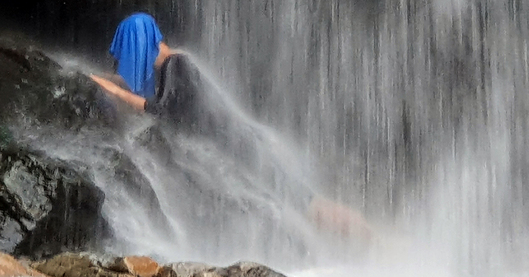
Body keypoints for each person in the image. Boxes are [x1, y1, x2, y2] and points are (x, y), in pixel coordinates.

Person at [91, 13, 373, 240]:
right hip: (244, 145)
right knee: (305, 203)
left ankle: (375, 242)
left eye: (132, 53)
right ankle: (370, 242)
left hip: (243, 149)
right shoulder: (175, 67)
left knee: (310, 207)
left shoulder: (177, 65)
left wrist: (117, 93)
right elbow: (161, 99)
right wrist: (107, 81)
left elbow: (166, 112)